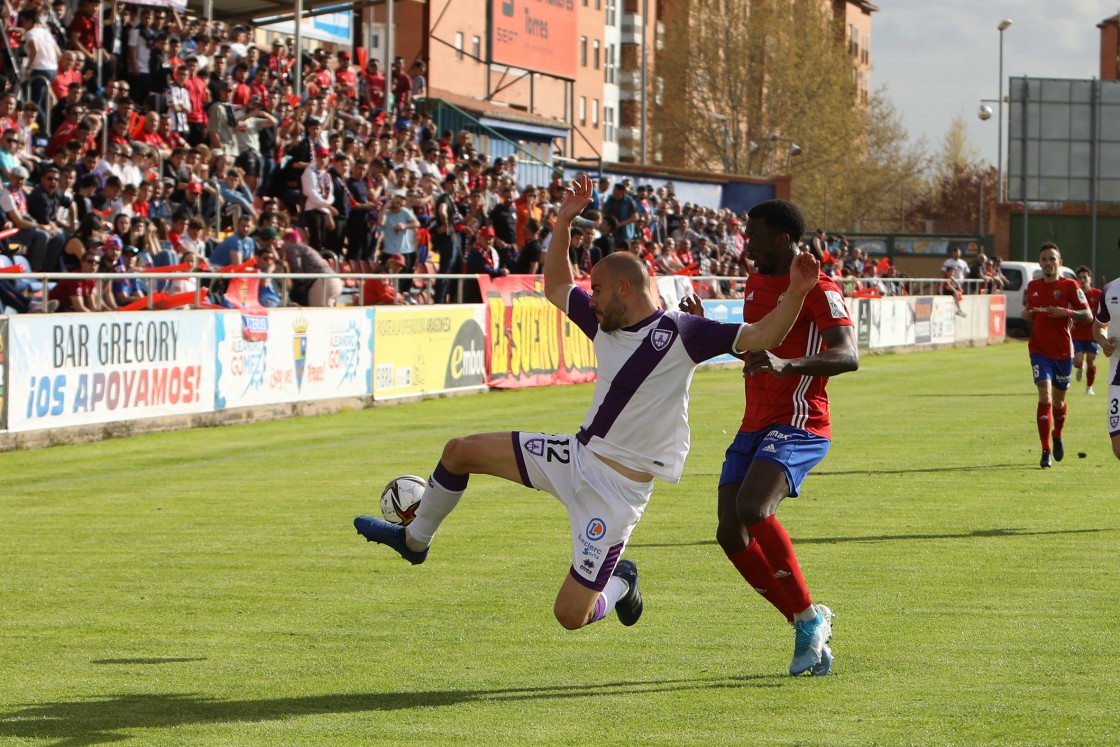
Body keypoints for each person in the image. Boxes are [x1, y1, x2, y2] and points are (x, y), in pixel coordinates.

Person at [353, 175, 821, 633]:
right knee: (459, 451)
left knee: (570, 616)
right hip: (574, 457)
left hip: (617, 494)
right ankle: (414, 541)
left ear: (624, 289)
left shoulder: (684, 332)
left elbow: (763, 336)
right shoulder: (603, 322)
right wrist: (563, 223)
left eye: (596, 289)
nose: (588, 298)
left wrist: (797, 291)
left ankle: (620, 584)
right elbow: (557, 285)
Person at [681, 198, 859, 677]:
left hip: (800, 420)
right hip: (753, 421)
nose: (746, 245)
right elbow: (755, 349)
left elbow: (848, 356)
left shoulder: (821, 288)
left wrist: (788, 365)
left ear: (783, 239)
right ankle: (807, 618)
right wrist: (704, 326)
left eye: (754, 236)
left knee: (753, 509)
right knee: (729, 533)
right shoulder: (756, 281)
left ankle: (807, 624)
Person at [1024, 242, 1091, 468]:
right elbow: (1030, 310)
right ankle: (1045, 451)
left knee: (1059, 402)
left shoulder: (1070, 285)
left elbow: (1088, 315)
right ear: (1040, 263)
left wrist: (1067, 312)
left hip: (1063, 351)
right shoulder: (1032, 286)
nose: (1048, 263)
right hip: (1039, 350)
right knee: (1045, 395)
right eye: (1044, 259)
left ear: (1059, 263)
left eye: (1052, 259)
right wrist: (1027, 313)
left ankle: (1058, 433)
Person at [1091, 258, 1120, 460]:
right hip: (1118, 377)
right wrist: (1103, 342)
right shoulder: (1110, 290)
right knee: (1118, 448)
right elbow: (1099, 325)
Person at [1071, 265, 1102, 396]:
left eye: (1085, 277)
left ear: (1090, 280)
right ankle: (1080, 366)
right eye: (1080, 278)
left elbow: (1104, 313)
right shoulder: (1073, 295)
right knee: (1077, 362)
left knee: (1091, 360)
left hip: (1092, 334)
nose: (1082, 280)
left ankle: (1089, 387)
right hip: (1077, 334)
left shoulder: (1098, 295)